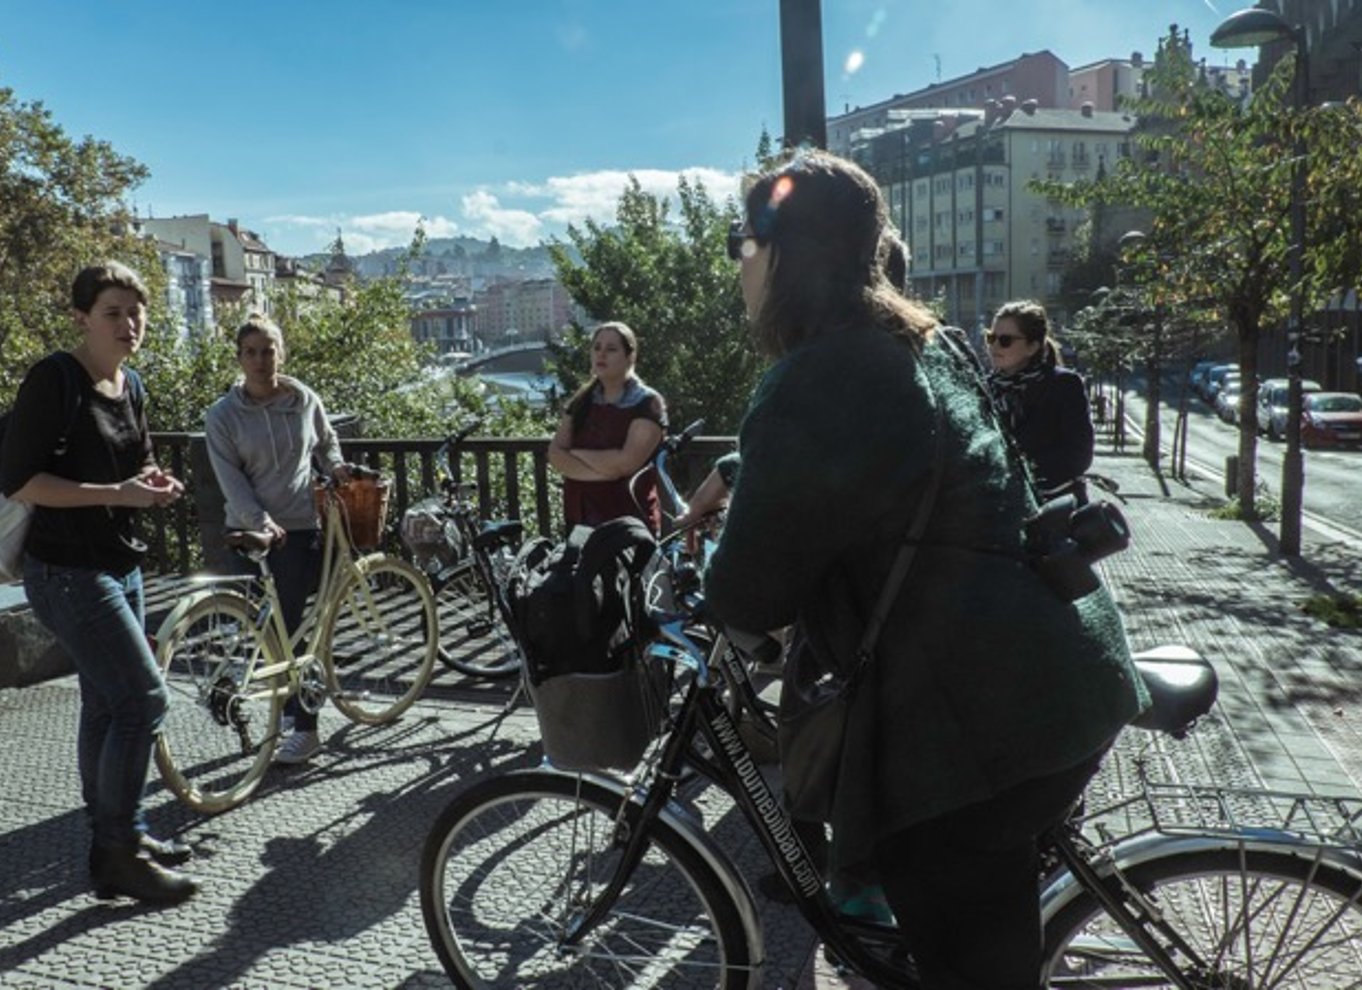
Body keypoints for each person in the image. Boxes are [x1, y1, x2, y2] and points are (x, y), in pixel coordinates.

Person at [702, 152, 1148, 990]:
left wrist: (704, 593)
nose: (738, 263)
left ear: (782, 254)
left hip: (973, 734)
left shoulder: (817, 375)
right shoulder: (921, 343)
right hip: (1058, 669)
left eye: (742, 242)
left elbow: (748, 592)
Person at [0, 261, 196, 904]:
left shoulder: (130, 384)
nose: (129, 324)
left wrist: (153, 482)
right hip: (65, 571)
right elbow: (21, 481)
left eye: (136, 312)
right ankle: (120, 846)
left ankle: (114, 838)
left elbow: (134, 460)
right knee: (144, 699)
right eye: (113, 312)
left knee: (106, 703)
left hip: (120, 561)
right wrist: (119, 491)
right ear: (82, 318)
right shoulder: (55, 379)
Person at [204, 314, 350, 765]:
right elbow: (231, 480)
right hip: (249, 531)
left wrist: (338, 468)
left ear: (280, 354)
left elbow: (326, 443)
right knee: (259, 628)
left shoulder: (304, 399)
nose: (260, 359)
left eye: (268, 350)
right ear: (239, 358)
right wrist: (260, 520)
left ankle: (303, 727)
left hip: (300, 527)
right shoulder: (222, 416)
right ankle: (277, 708)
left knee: (287, 629)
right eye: (251, 352)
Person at [548, 322, 667, 535]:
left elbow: (626, 464)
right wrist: (605, 471)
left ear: (630, 357)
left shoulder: (647, 403)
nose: (601, 354)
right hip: (579, 519)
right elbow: (556, 455)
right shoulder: (581, 401)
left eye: (611, 349)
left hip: (629, 523)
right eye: (597, 348)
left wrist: (574, 456)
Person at [986, 299, 1095, 498]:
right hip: (995, 507)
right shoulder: (983, 388)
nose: (994, 346)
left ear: (1032, 347)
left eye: (1005, 340)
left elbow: (1078, 455)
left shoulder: (1063, 385)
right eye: (991, 337)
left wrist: (1015, 469)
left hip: (1052, 508)